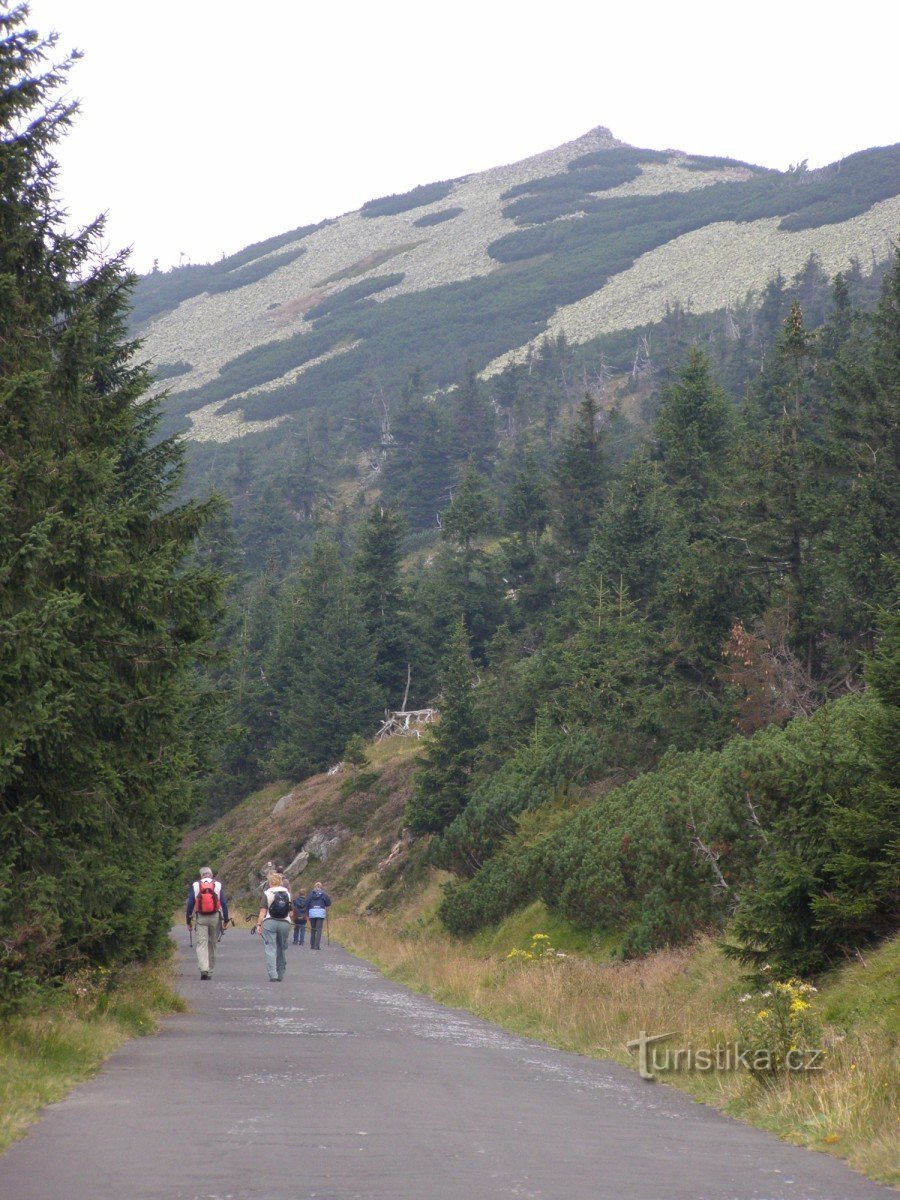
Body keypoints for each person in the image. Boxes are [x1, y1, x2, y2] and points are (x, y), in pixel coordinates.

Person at [186, 866, 229, 981]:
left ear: (201, 875)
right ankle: (210, 970)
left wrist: (188, 920)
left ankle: (203, 969)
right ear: (211, 875)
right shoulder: (218, 885)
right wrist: (226, 919)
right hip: (215, 917)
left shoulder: (196, 885)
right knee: (213, 944)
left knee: (201, 944)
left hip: (201, 918)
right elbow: (224, 903)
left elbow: (190, 903)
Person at [255, 870, 291, 981]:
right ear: (281, 882)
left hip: (270, 922)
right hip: (285, 922)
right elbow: (291, 912)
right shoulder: (287, 894)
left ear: (270, 883)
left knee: (270, 947)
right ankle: (281, 973)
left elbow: (262, 912)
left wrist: (259, 924)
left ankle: (273, 975)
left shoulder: (267, 893)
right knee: (281, 947)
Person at [306, 881, 331, 950]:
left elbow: (307, 903)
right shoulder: (324, 894)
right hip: (320, 913)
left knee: (313, 929)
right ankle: (317, 946)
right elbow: (328, 903)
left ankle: (312, 945)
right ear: (321, 887)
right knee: (319, 930)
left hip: (312, 912)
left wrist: (307, 914)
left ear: (314, 886)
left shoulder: (311, 894)